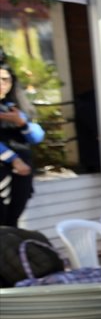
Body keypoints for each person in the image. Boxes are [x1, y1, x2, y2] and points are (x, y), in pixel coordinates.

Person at [0, 63, 45, 226]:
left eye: (5, 79)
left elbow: (37, 137)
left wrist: (22, 124)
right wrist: (13, 159)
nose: (1, 84)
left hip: (21, 170)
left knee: (13, 218)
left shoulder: (13, 106)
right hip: (5, 168)